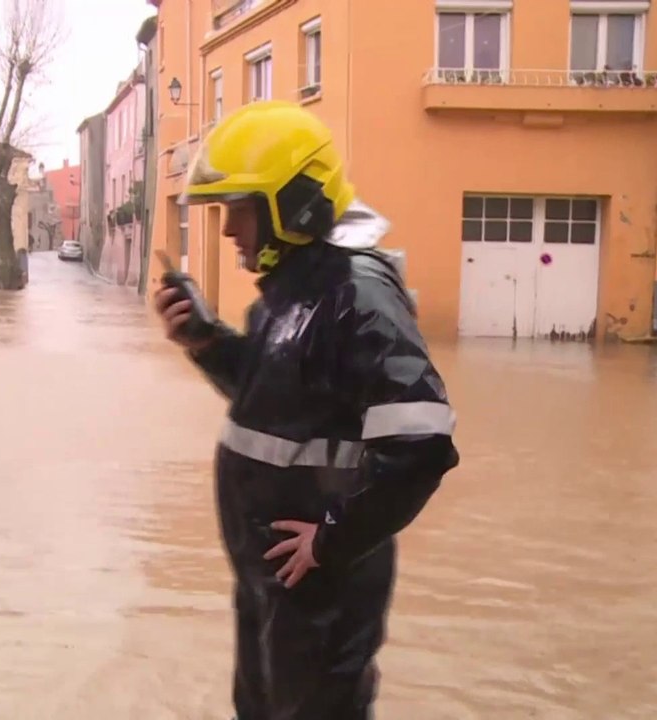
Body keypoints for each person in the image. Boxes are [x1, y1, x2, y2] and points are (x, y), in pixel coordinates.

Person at [153, 100, 460, 719]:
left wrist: (332, 539)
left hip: (321, 601)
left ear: (290, 206)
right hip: (273, 591)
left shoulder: (357, 295)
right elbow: (277, 403)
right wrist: (207, 342)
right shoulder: (291, 293)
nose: (228, 230)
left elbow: (423, 441)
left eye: (238, 211)